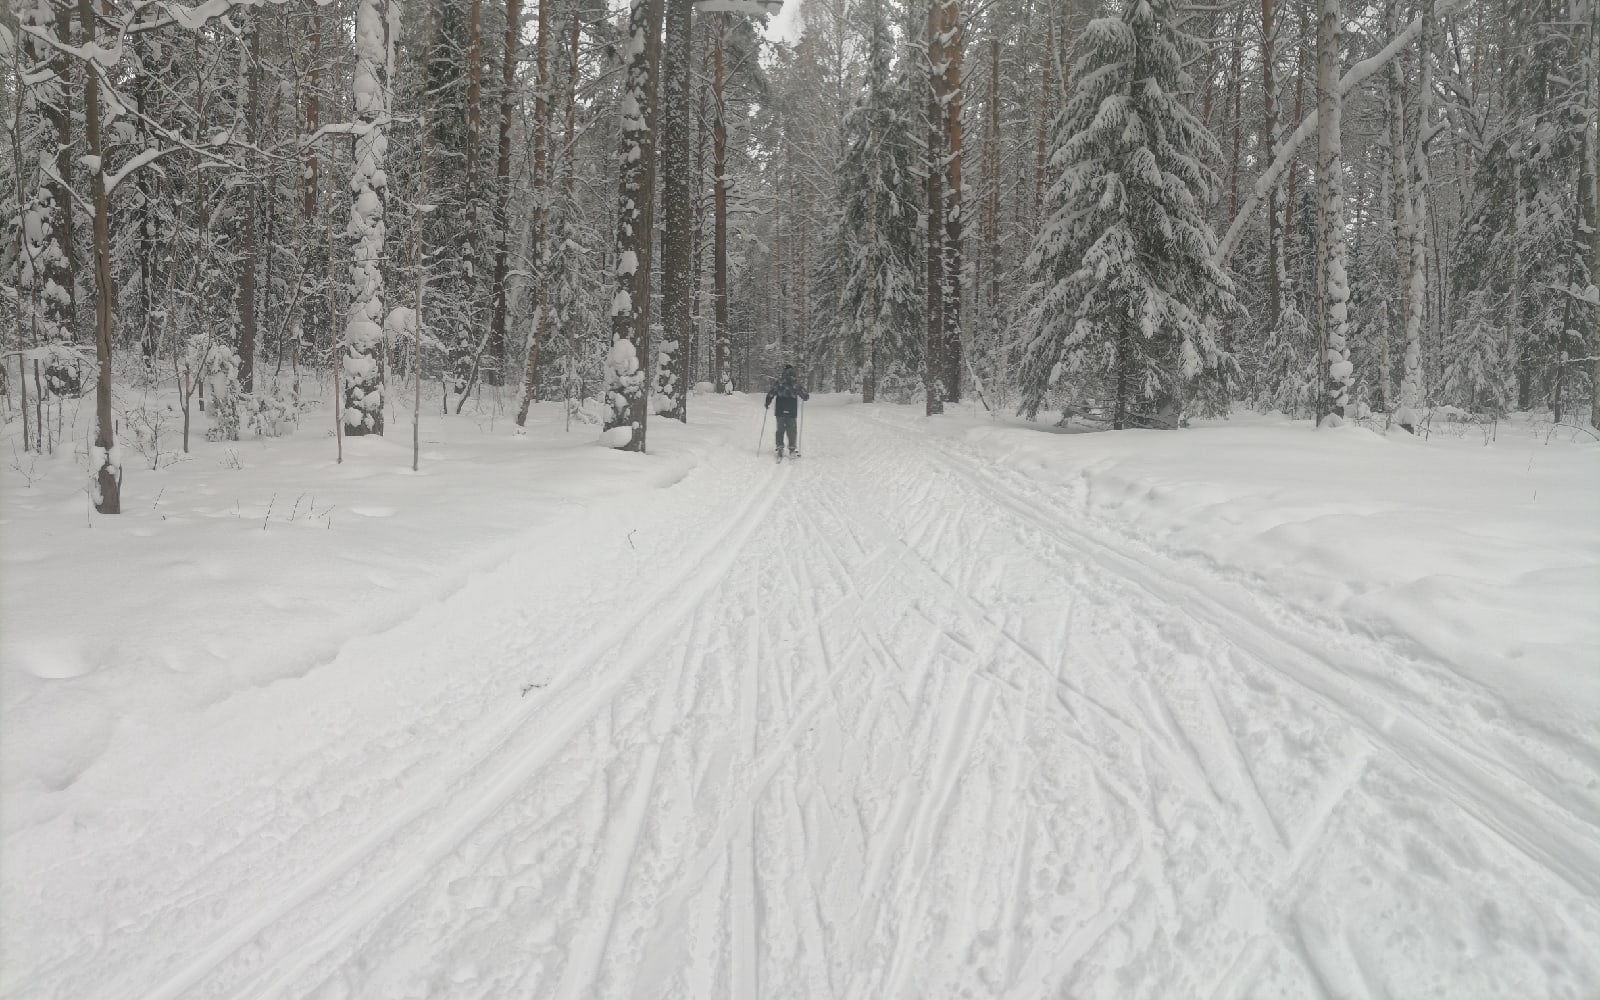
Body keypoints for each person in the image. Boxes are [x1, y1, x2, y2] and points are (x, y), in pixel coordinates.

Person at [764, 365, 810, 459]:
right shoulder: (795, 383)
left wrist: (767, 402)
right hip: (791, 410)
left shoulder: (779, 382)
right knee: (791, 430)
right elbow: (804, 395)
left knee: (780, 429)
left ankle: (780, 447)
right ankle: (792, 449)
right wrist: (805, 397)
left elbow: (771, 392)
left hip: (780, 409)